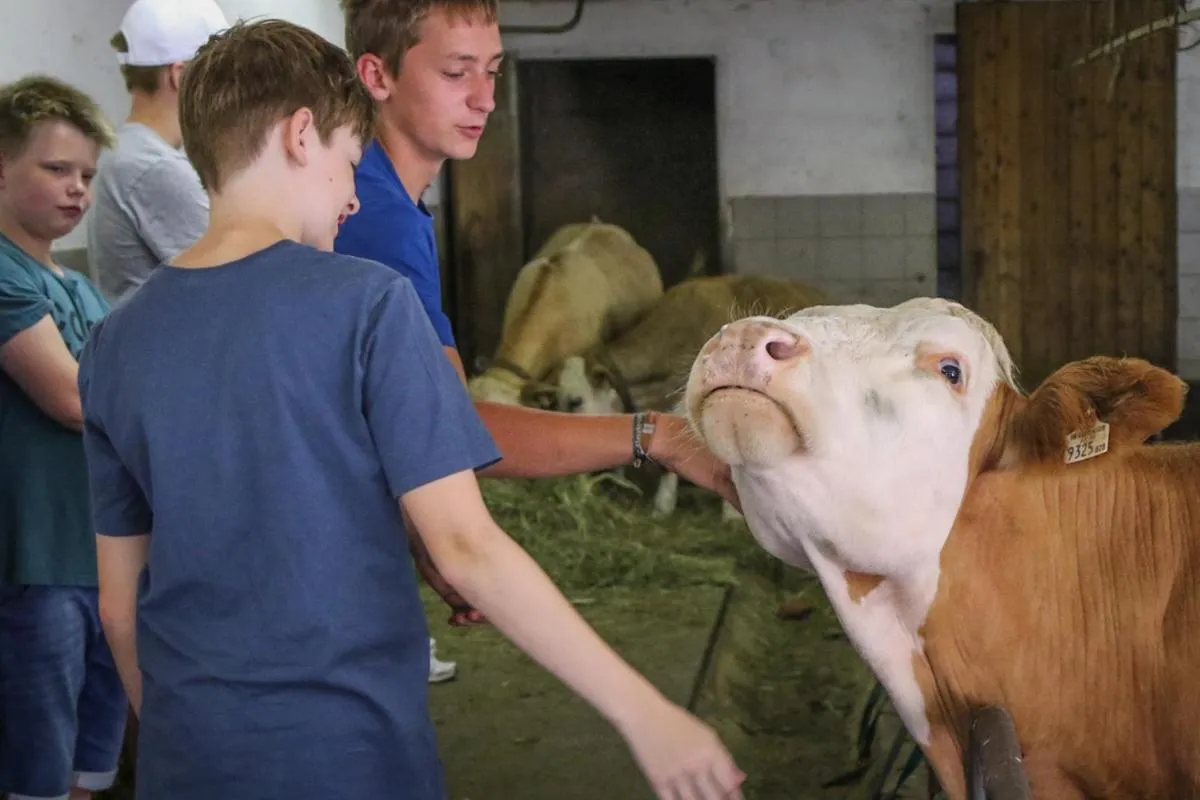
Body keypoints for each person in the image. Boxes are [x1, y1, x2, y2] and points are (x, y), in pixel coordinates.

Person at [78, 18, 746, 800]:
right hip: (350, 749)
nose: (356, 197)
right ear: (301, 136)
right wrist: (644, 713)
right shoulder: (367, 305)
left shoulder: (113, 341)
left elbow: (120, 607)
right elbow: (466, 547)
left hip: (187, 756)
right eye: (350, 163)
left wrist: (181, 737)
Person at [334, 0, 740, 649]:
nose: (484, 99)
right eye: (456, 72)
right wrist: (656, 434)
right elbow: (457, 432)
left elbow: (401, 418)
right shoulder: (376, 215)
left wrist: (421, 529)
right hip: (330, 585)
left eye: (492, 71)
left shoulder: (386, 200)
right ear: (377, 77)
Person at [0, 74, 127, 800]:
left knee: (89, 767)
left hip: (94, 555)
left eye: (86, 174)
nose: (77, 189)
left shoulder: (79, 287)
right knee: (36, 769)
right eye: (56, 169)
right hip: (34, 560)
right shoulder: (4, 273)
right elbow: (73, 398)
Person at [86, 0, 228, 303]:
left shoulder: (132, 151)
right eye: (222, 73)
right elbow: (237, 278)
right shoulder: (152, 166)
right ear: (181, 75)